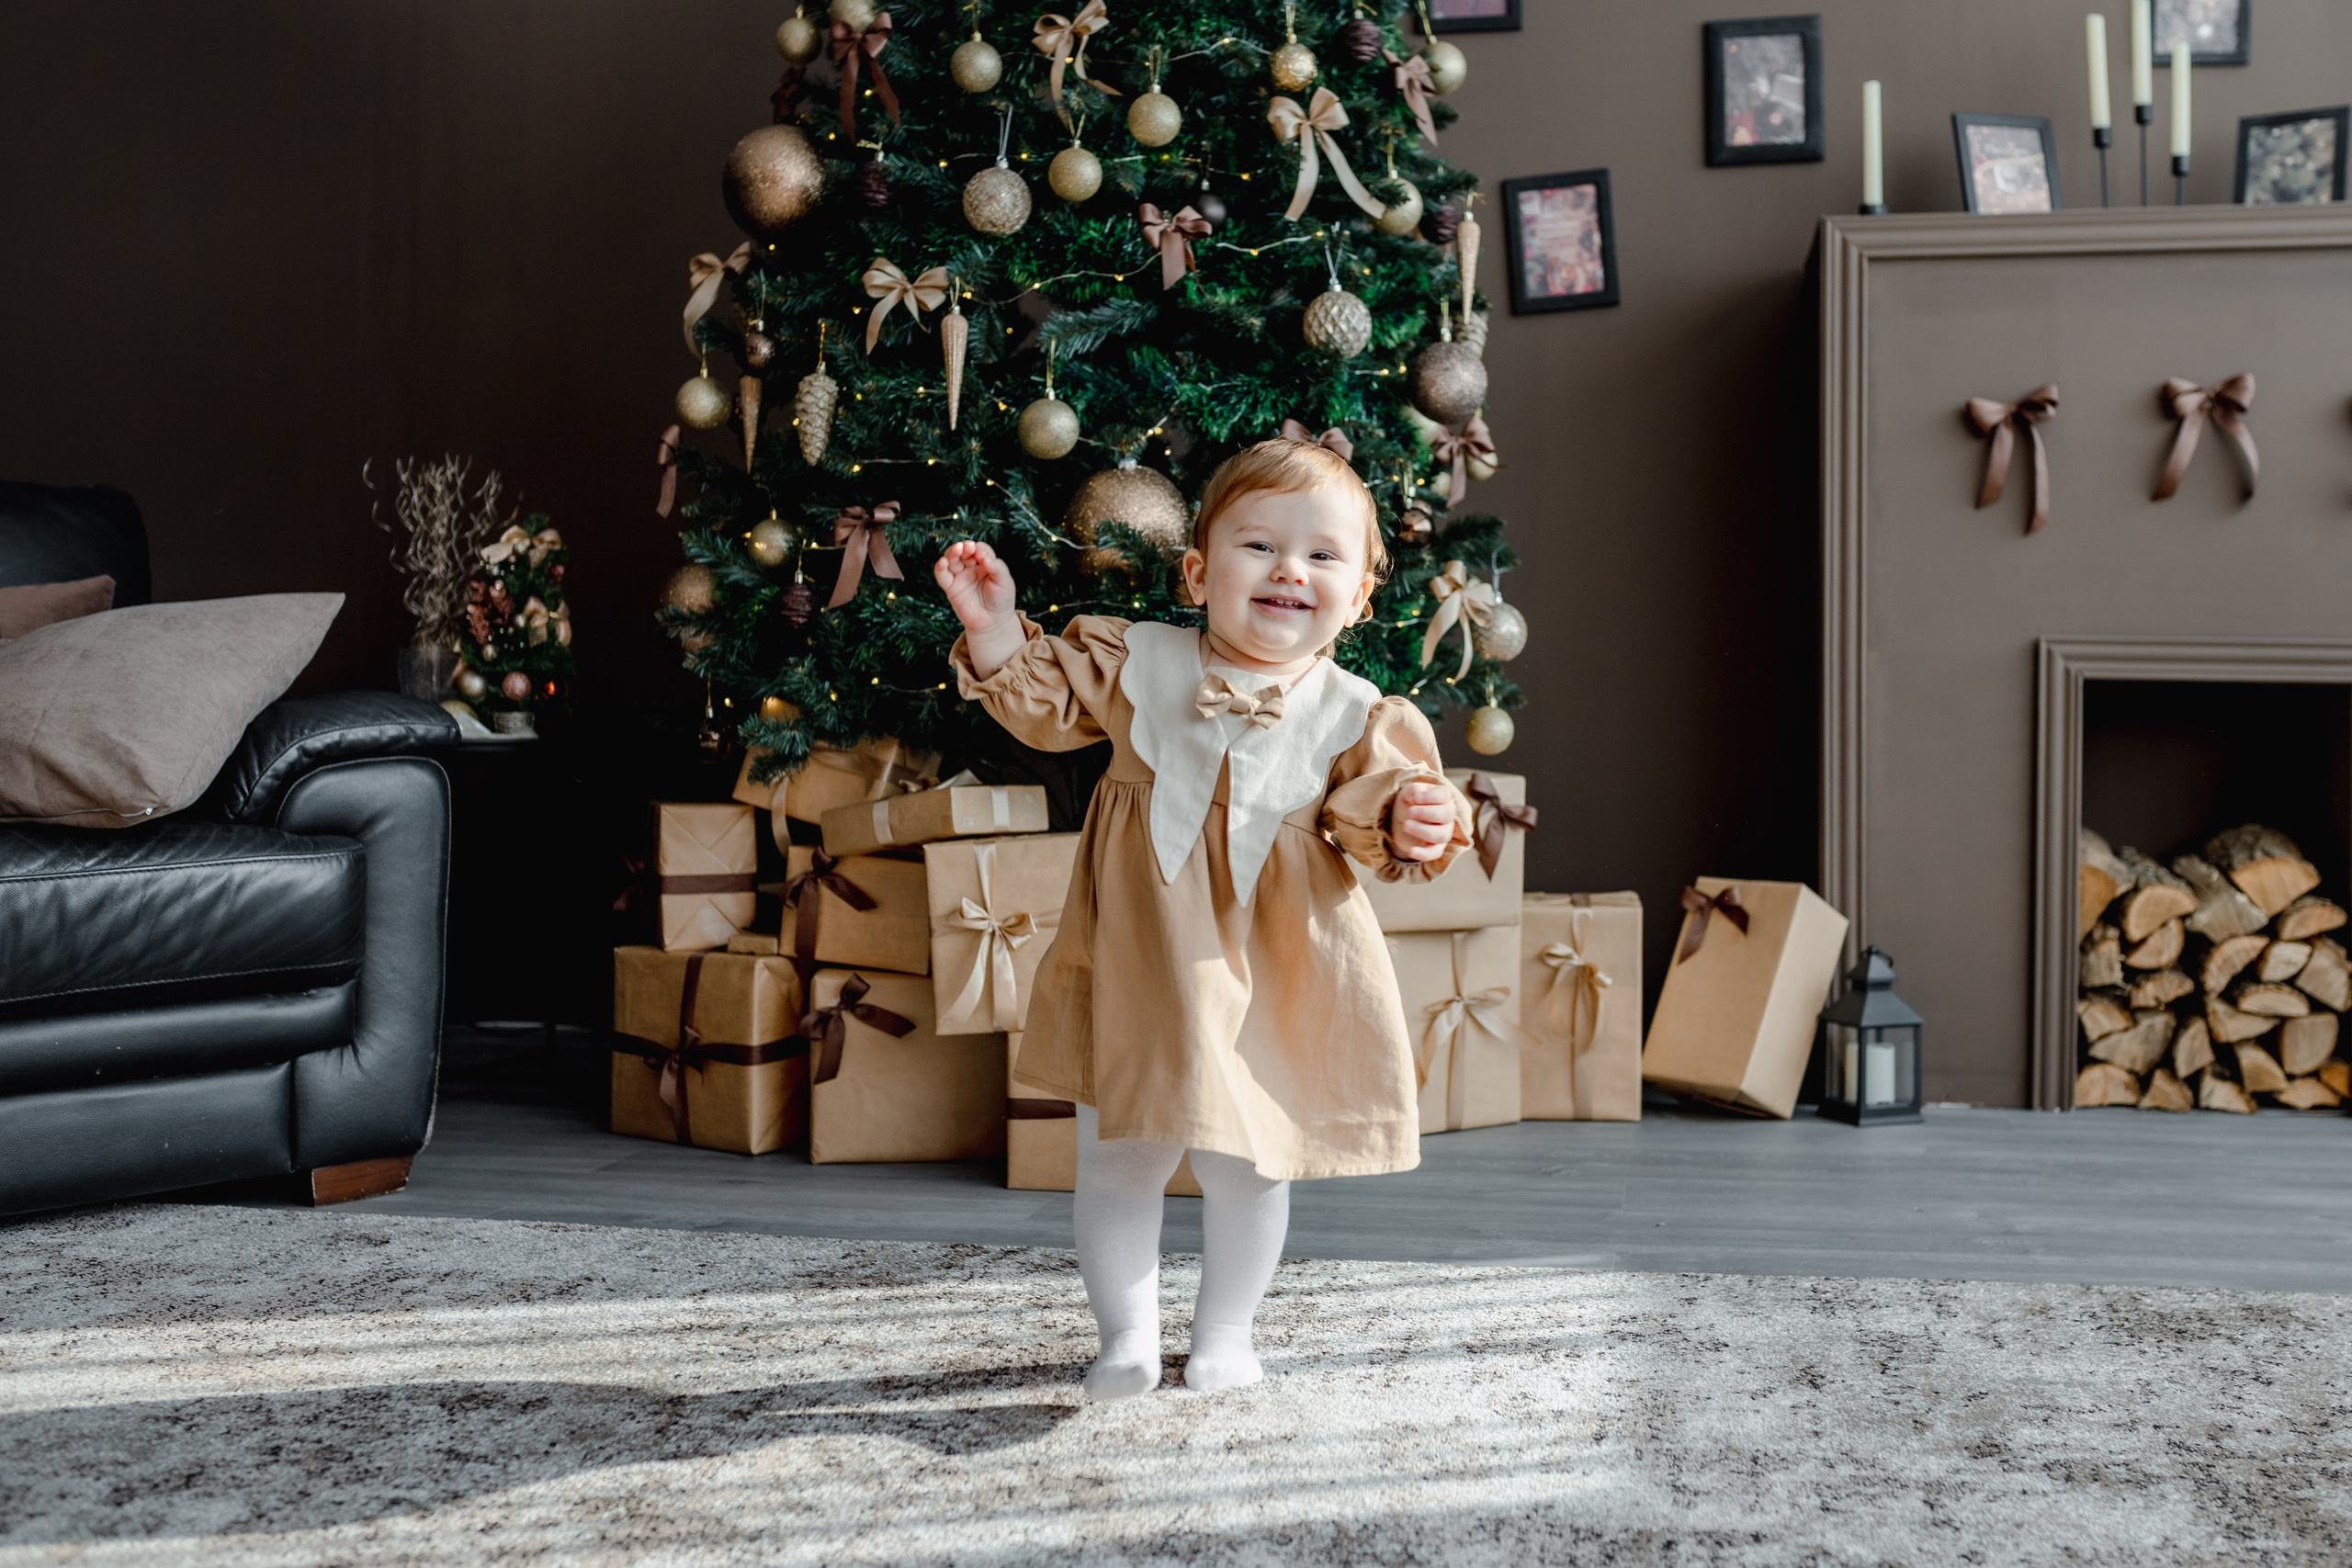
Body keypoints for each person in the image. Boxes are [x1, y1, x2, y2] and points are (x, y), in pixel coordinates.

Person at [934, 436, 1474, 1400]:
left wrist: (1415, 814)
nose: (1286, 572)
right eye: (1258, 546)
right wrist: (995, 627)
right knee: (1120, 1152)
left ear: (1355, 602)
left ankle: (1226, 1333)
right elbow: (1042, 705)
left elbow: (1378, 811)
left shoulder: (1356, 715)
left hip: (1274, 967)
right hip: (1141, 955)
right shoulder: (1138, 660)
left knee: (1248, 1163)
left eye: (1320, 556)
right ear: (1197, 572)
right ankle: (1127, 1338)